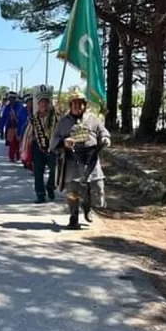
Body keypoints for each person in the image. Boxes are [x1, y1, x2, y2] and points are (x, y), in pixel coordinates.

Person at [51, 90, 111, 229]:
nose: (77, 106)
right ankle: (74, 217)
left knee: (96, 187)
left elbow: (102, 131)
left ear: (84, 105)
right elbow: (54, 141)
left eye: (80, 103)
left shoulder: (93, 119)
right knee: (73, 191)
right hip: (72, 159)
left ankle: (88, 206)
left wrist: (105, 138)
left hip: (91, 158)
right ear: (70, 105)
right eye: (74, 104)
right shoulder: (63, 122)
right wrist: (64, 142)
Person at [24, 85, 58, 203]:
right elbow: (28, 134)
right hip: (37, 148)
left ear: (49, 103)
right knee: (38, 172)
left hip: (53, 148)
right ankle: (40, 194)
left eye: (45, 102)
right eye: (41, 102)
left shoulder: (56, 116)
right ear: (38, 104)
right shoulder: (34, 118)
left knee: (55, 169)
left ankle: (50, 186)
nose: (43, 104)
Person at [0, 92, 27, 162]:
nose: (11, 100)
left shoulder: (20, 107)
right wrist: (1, 129)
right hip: (10, 128)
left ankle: (18, 156)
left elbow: (22, 118)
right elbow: (3, 118)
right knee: (12, 143)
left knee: (18, 143)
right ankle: (11, 157)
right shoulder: (7, 107)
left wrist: (15, 116)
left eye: (12, 99)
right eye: (10, 99)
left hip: (19, 127)